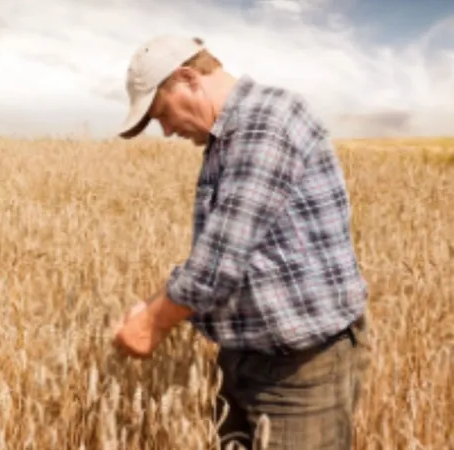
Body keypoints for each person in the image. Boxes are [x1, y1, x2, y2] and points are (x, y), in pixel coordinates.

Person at [111, 35, 371, 450]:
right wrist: (155, 305)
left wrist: (152, 322)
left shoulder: (265, 123)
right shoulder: (230, 135)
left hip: (302, 372)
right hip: (248, 358)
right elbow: (225, 254)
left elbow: (218, 263)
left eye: (162, 113)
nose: (167, 130)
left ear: (188, 78)